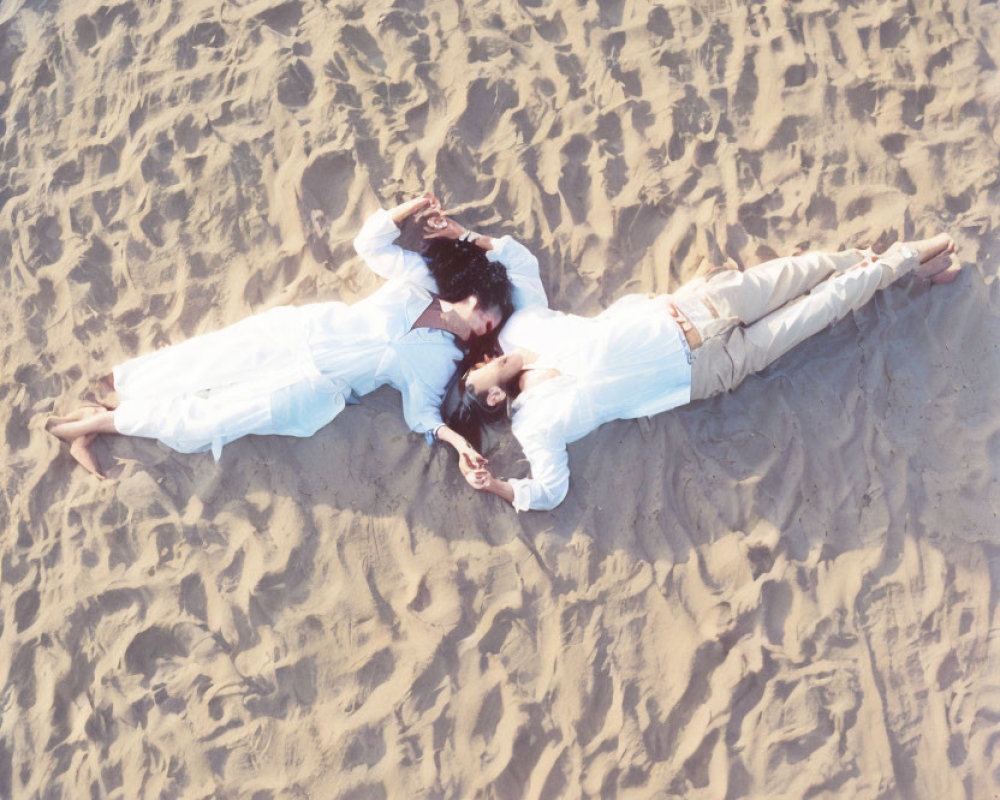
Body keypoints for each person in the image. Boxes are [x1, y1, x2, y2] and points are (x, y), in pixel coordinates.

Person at [447, 234, 959, 511]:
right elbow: (549, 491)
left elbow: (519, 261)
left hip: (697, 306)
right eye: (478, 376)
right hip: (711, 367)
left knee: (813, 268)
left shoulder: (522, 327)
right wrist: (493, 485)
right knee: (824, 307)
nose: (482, 361)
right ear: (493, 400)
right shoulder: (535, 424)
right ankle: (910, 258)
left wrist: (462, 235)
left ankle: (904, 264)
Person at [46, 194, 516, 479]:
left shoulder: (441, 360)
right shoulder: (419, 282)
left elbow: (423, 414)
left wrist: (458, 445)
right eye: (490, 320)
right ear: (476, 300)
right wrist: (412, 207)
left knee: (206, 422)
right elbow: (369, 244)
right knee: (197, 365)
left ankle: (92, 426)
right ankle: (106, 412)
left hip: (307, 392)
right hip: (295, 335)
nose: (486, 332)